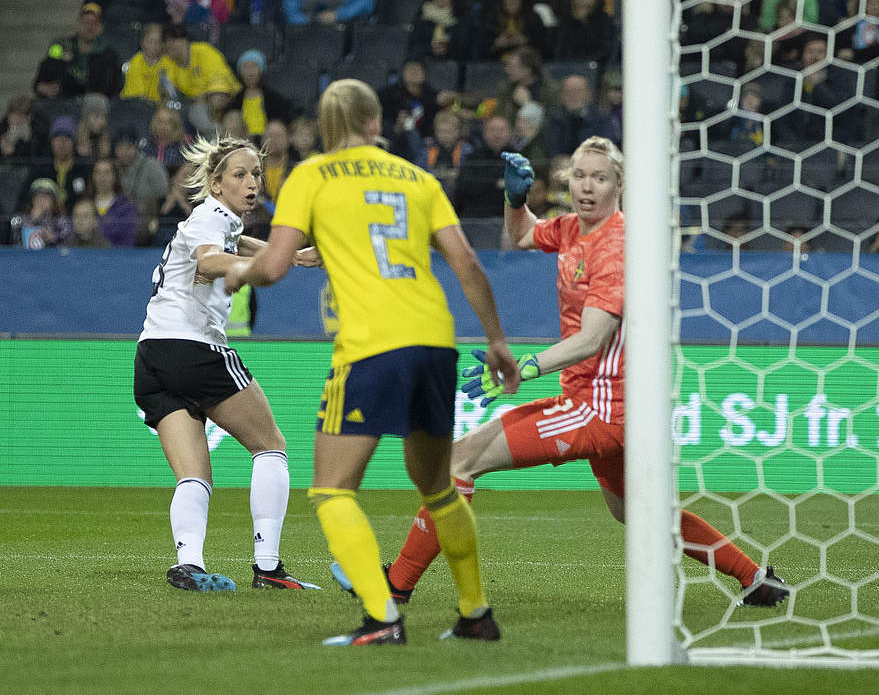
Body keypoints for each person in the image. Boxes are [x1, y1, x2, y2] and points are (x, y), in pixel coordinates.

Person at [358, 140, 791, 610]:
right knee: (640, 513)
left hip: (596, 410)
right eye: (579, 175)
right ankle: (755, 580)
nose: (587, 187)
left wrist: (522, 367)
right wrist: (515, 201)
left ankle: (396, 584)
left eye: (599, 178)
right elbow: (522, 236)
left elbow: (592, 339)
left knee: (458, 460)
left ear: (620, 185)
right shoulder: (572, 229)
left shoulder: (616, 249)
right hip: (612, 407)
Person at [223, 78, 519, 645]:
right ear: (376, 123)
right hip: (435, 342)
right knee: (438, 488)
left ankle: (383, 620)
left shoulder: (310, 176)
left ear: (327, 129)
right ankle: (475, 614)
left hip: (370, 348)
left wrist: (235, 270)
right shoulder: (419, 178)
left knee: (332, 491)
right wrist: (498, 341)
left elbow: (275, 265)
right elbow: (468, 265)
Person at [134, 133, 321, 593]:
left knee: (194, 474)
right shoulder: (210, 217)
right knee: (270, 445)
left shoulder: (216, 219)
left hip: (151, 355)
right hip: (193, 348)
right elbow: (211, 257)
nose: (252, 182)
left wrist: (288, 255)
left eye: (256, 173)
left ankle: (189, 565)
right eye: (239, 175)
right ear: (216, 185)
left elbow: (234, 241)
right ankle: (269, 568)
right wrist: (244, 271)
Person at [43, 3, 123, 98]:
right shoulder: (60, 46)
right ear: (77, 25)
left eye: (94, 23)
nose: (90, 27)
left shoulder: (109, 54)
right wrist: (41, 87)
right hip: (63, 101)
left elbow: (115, 86)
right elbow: (46, 68)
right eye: (85, 22)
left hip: (94, 104)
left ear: (101, 28)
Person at [88, 156, 141, 247]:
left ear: (115, 176)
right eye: (98, 172)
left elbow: (128, 240)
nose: (102, 177)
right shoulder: (84, 204)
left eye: (107, 173)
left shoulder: (127, 207)